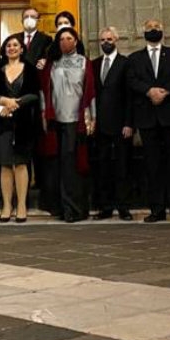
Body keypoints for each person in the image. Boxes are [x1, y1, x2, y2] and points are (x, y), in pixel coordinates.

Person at [127, 18, 170, 223]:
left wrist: (166, 91)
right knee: (152, 164)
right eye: (149, 28)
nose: (153, 30)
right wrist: (148, 91)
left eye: (157, 27)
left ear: (163, 31)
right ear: (143, 32)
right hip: (147, 116)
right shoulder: (135, 58)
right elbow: (132, 80)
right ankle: (156, 208)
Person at [41, 27, 95, 222]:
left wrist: (91, 119)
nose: (65, 42)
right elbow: (44, 93)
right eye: (61, 39)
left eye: (69, 38)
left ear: (76, 40)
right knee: (59, 166)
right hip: (56, 122)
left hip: (77, 121)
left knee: (74, 166)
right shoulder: (52, 64)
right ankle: (63, 208)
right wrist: (44, 116)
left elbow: (90, 93)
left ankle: (77, 208)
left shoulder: (83, 63)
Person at [0, 35, 40, 222]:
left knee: (20, 164)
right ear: (4, 49)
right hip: (2, 123)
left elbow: (35, 93)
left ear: (22, 49)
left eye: (15, 45)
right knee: (5, 164)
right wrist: (4, 101)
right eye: (8, 45)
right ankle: (7, 205)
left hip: (24, 122)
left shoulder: (30, 69)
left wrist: (17, 103)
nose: (11, 48)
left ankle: (21, 205)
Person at [90, 26, 134, 221]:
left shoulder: (126, 63)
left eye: (109, 39)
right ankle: (105, 207)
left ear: (116, 40)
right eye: (103, 40)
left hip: (121, 124)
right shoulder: (94, 64)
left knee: (122, 167)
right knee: (103, 167)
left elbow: (130, 96)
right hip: (100, 124)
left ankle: (123, 207)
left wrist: (129, 123)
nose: (106, 43)